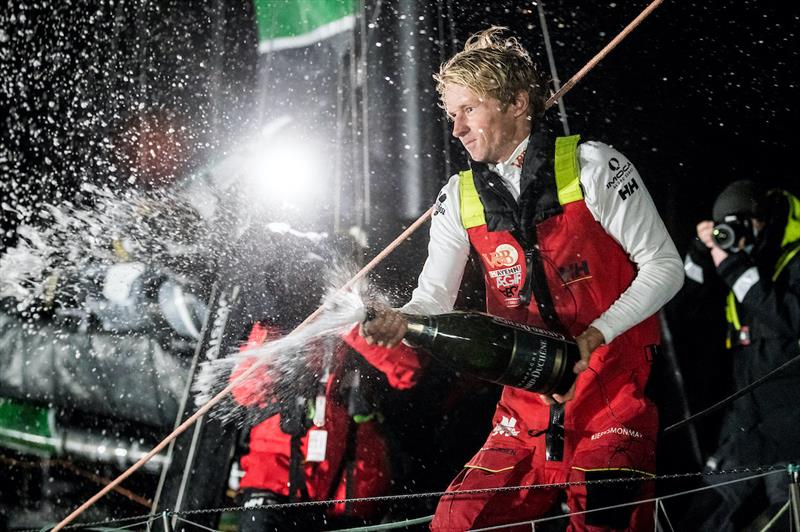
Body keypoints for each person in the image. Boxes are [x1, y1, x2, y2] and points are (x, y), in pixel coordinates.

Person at [360, 26, 683, 530]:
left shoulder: (594, 166)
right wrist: (402, 321)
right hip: (523, 410)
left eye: (468, 110)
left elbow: (666, 266)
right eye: (451, 115)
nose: (456, 129)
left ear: (515, 103)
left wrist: (595, 333)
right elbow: (433, 297)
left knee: (603, 520)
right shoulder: (459, 196)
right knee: (457, 522)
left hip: (609, 399)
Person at [227, 228, 424, 531]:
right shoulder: (275, 322)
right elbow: (244, 390)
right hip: (275, 479)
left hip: (350, 488)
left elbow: (408, 370)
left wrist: (349, 319)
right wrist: (276, 326)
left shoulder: (363, 315)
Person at [682, 180, 800, 530]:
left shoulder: (791, 257)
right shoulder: (745, 261)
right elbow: (684, 308)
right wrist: (699, 256)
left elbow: (789, 318)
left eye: (739, 227)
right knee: (705, 512)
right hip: (748, 418)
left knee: (787, 515)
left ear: (760, 219)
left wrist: (735, 269)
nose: (735, 239)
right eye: (725, 230)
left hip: (792, 426)